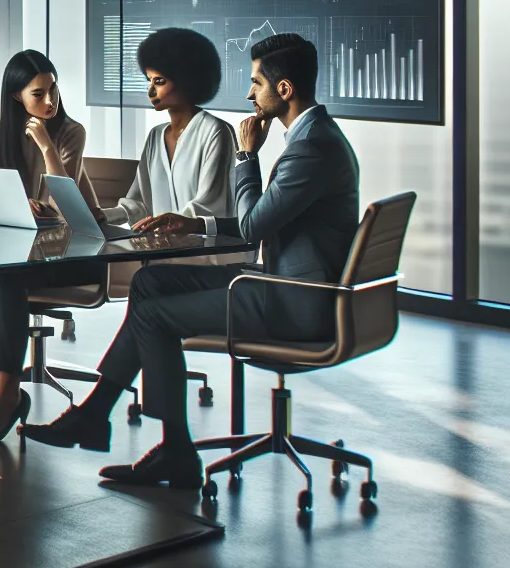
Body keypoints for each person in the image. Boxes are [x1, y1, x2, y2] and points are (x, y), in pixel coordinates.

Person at [19, 33, 361, 489]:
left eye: (256, 83)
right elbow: (252, 219)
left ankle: (169, 448)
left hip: (295, 303)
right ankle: (97, 414)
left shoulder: (310, 147)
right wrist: (195, 225)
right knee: (149, 285)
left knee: (156, 316)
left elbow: (255, 225)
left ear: (283, 90)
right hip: (282, 286)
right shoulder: (314, 139)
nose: (248, 94)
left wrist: (245, 156)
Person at [0, 50, 106, 447]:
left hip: (74, 255)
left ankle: (7, 390)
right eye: (39, 94)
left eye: (53, 90)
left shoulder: (70, 132)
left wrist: (46, 144)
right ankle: (8, 379)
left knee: (5, 273)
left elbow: (65, 201)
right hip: (21, 249)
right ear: (17, 96)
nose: (50, 101)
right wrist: (16, 203)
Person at [105, 27, 238, 235]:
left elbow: (211, 205)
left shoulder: (215, 131)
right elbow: (139, 203)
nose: (150, 91)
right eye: (148, 80)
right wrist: (104, 215)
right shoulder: (155, 136)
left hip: (203, 255)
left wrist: (169, 224)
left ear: (186, 79)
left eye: (159, 81)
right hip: (162, 251)